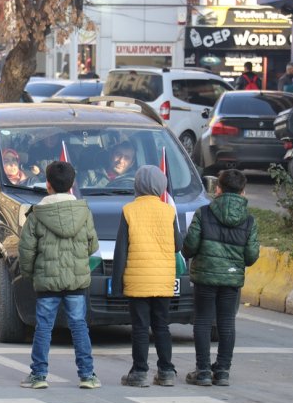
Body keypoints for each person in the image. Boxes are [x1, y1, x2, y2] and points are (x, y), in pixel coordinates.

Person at [18, 161, 101, 389]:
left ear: (48, 185)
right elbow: (92, 245)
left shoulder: (36, 214)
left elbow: (26, 251)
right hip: (76, 280)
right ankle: (87, 375)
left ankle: (38, 375)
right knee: (78, 325)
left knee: (44, 326)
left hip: (47, 281)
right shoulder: (84, 212)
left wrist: (29, 274)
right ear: (73, 184)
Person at [182, 169, 259, 386]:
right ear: (243, 192)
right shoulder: (249, 220)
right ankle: (223, 370)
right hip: (231, 279)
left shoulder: (203, 213)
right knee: (226, 322)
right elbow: (251, 256)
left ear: (217, 189)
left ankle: (204, 370)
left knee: (204, 321)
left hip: (205, 277)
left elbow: (190, 247)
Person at [111, 165, 182, 387]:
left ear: (137, 185)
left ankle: (139, 372)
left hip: (137, 280)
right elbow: (178, 244)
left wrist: (117, 282)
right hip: (163, 280)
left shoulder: (129, 210)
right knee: (162, 325)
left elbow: (120, 250)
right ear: (161, 186)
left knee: (141, 327)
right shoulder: (169, 211)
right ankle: (166, 371)